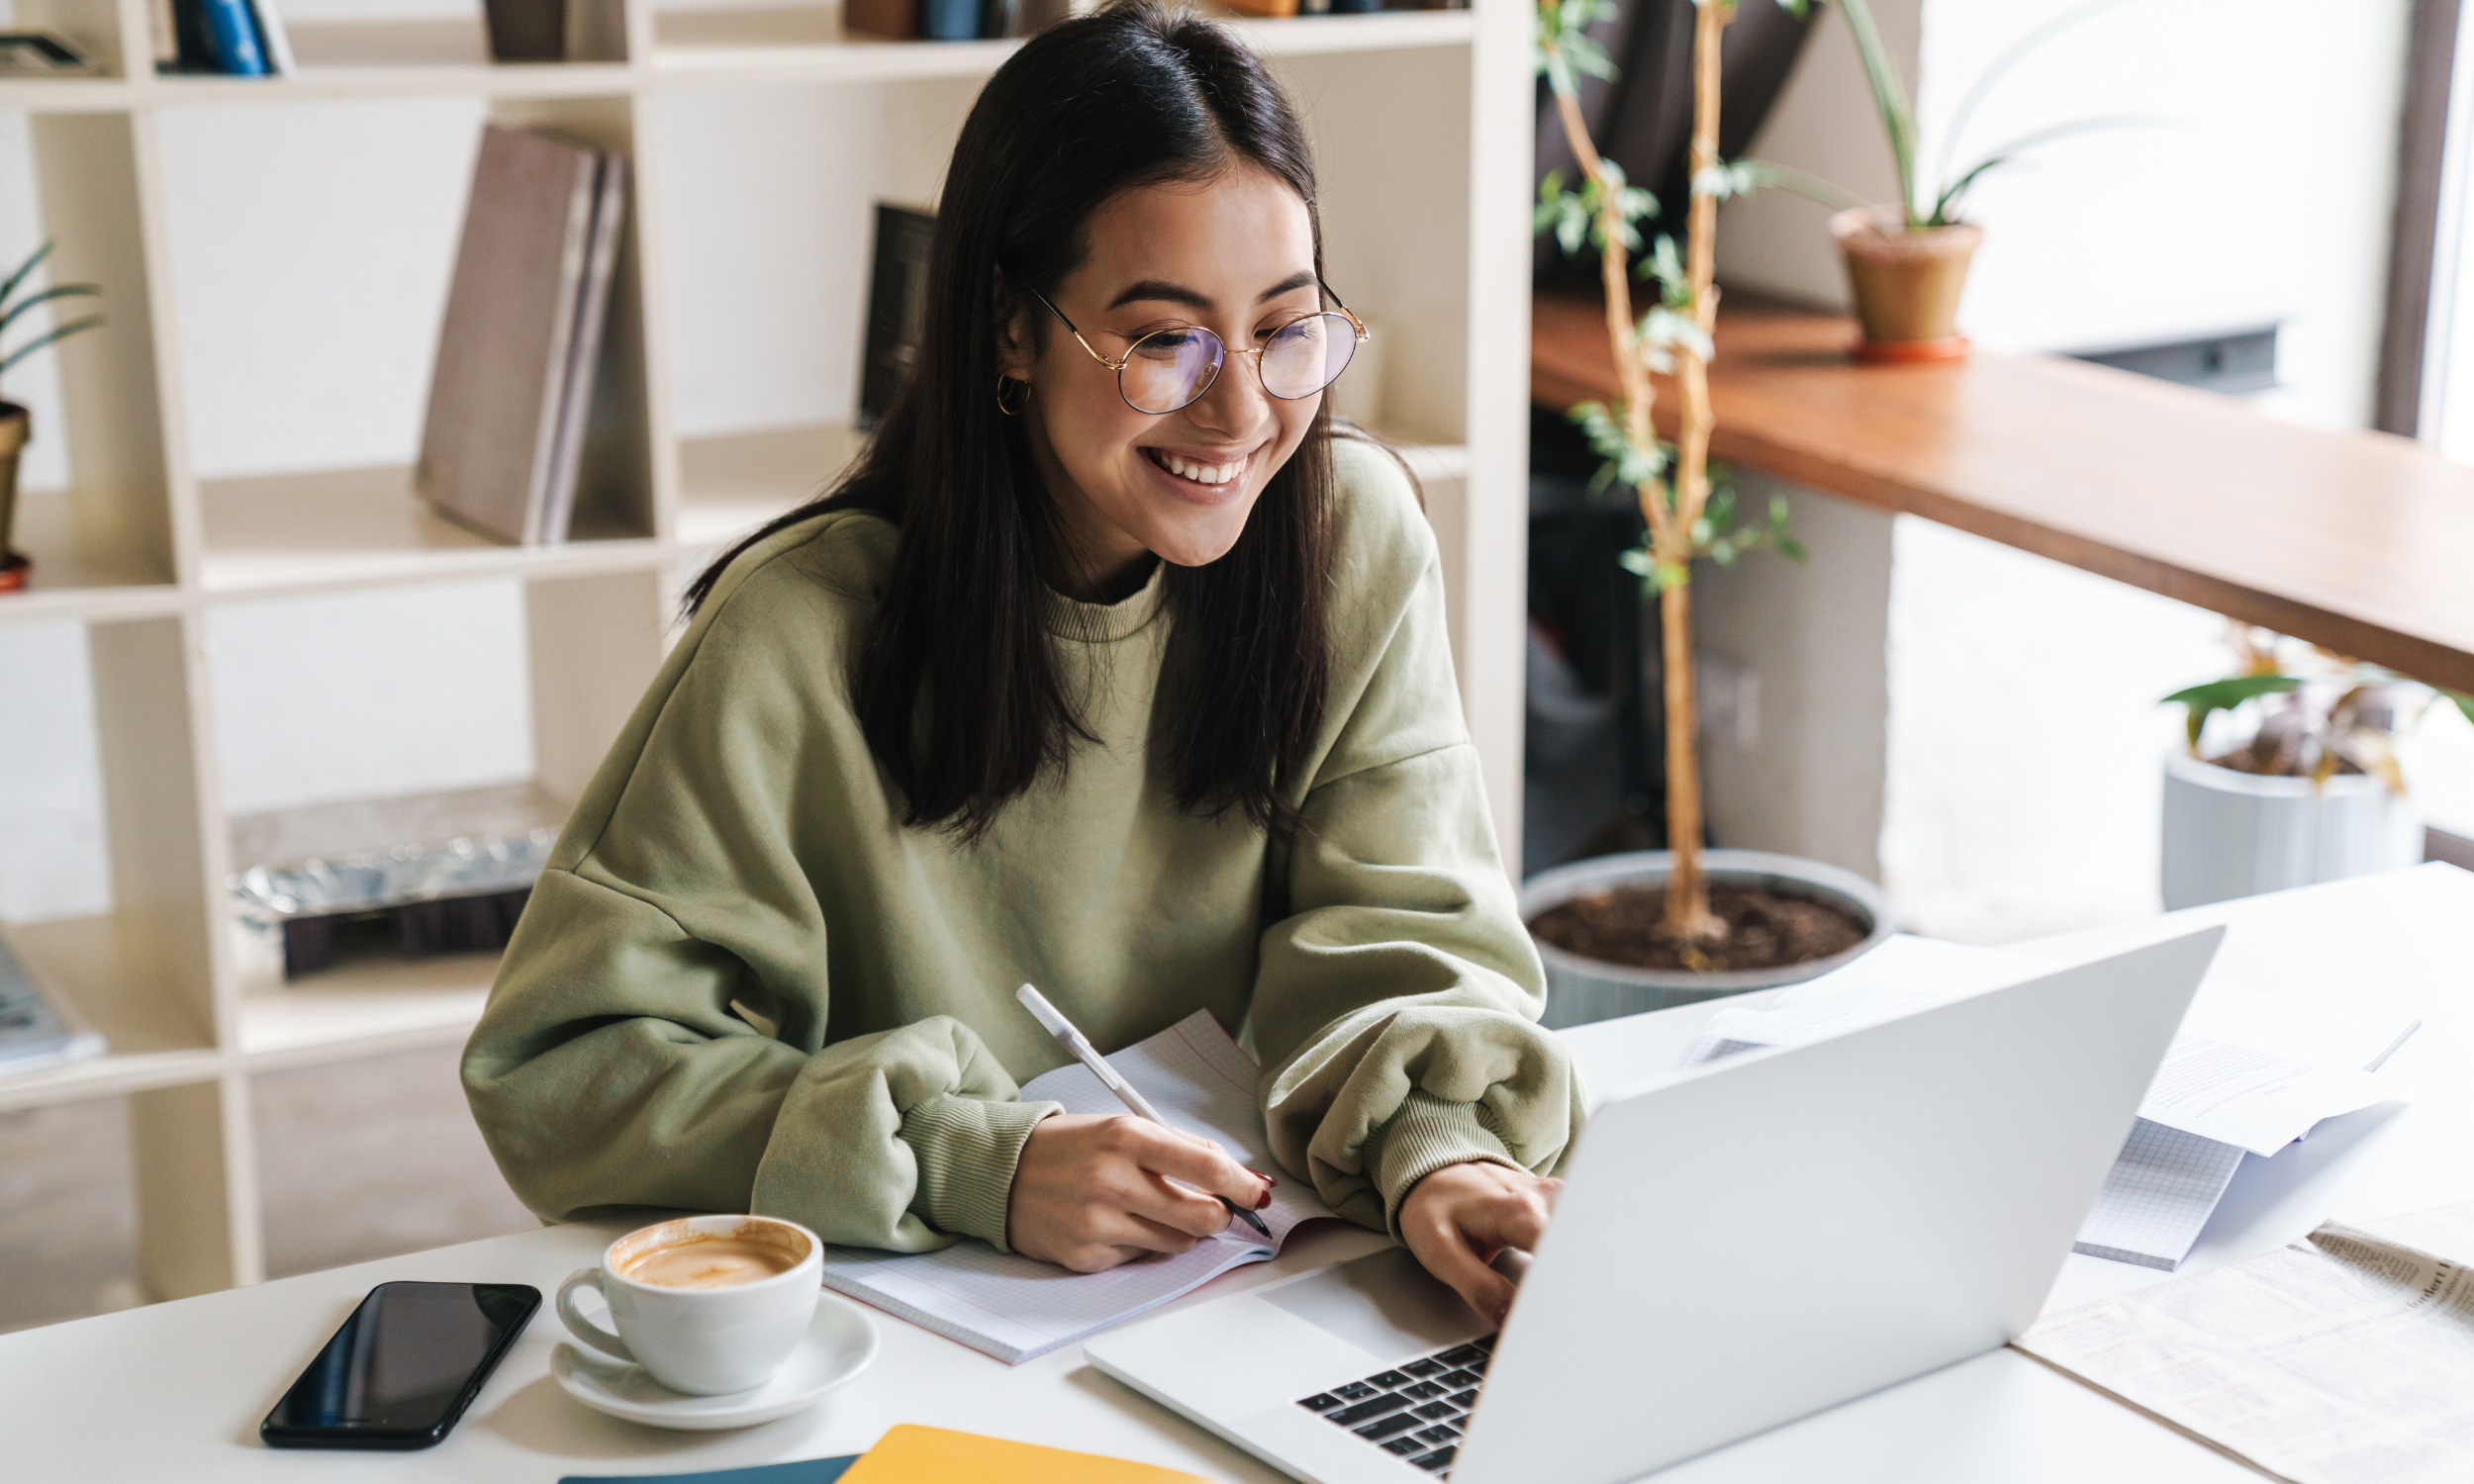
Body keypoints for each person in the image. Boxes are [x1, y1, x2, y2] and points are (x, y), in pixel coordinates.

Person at [461, 1, 1581, 1326]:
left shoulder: (1353, 540)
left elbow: (1405, 937)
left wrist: (1439, 1146)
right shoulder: (798, 631)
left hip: (1267, 1298)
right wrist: (976, 1160)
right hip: (914, 1335)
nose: (1242, 412)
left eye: (1286, 329)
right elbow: (564, 1071)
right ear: (1010, 327)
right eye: (1166, 341)